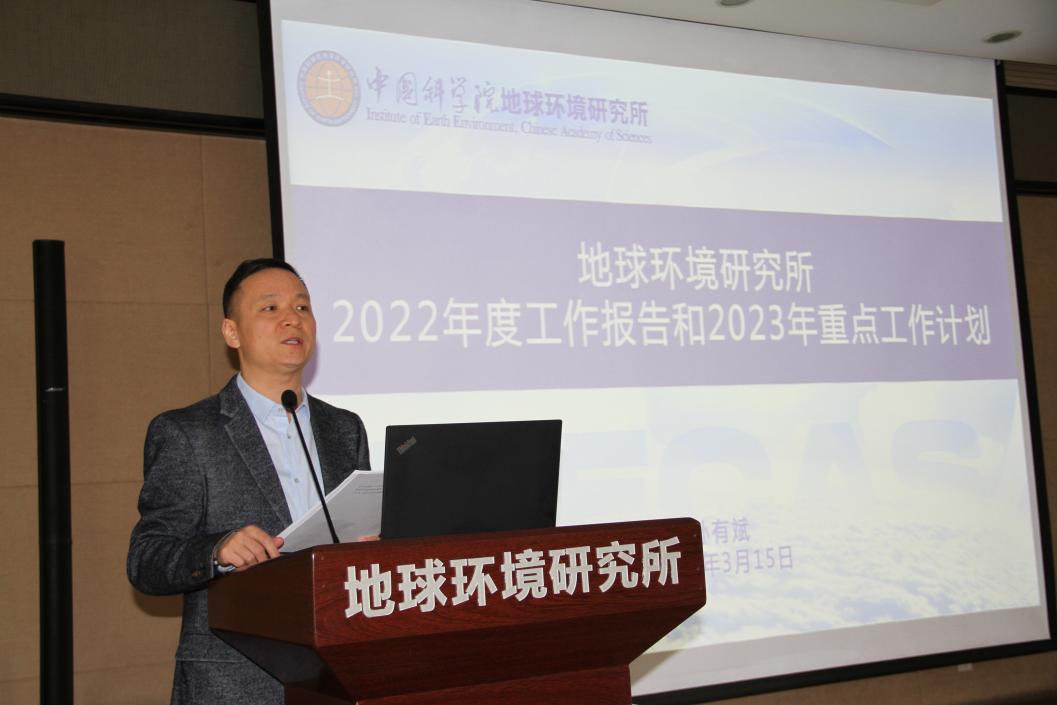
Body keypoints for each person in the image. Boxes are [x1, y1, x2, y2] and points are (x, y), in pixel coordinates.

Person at [127, 258, 370, 705]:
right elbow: (147, 559)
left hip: (337, 676)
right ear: (231, 332)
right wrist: (216, 550)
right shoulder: (188, 432)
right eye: (270, 308)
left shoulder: (345, 428)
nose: (292, 318)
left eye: (302, 306)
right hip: (236, 683)